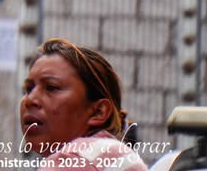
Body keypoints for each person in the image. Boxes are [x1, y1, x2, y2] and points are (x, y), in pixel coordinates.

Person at [21, 38, 148, 171]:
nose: (30, 99)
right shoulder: (111, 157)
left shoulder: (74, 160)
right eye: (29, 89)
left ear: (99, 112)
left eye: (51, 87)